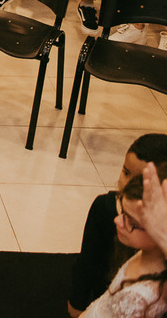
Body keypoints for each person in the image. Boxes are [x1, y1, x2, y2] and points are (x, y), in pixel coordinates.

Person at [70, 135, 167, 317]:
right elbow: (88, 260)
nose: (118, 220)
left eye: (132, 222)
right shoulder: (106, 207)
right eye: (126, 172)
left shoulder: (144, 294)